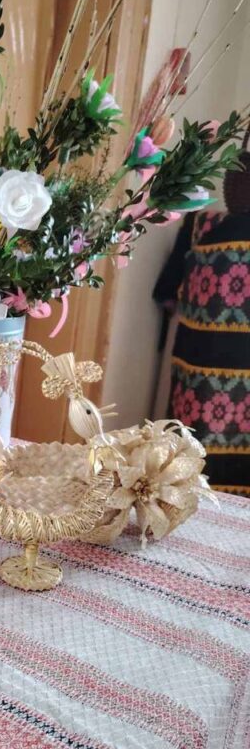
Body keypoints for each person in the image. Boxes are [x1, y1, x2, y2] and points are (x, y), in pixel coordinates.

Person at [154, 132, 250, 495]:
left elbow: (165, 294)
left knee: (189, 467)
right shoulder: (199, 225)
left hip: (197, 379)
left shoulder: (201, 226)